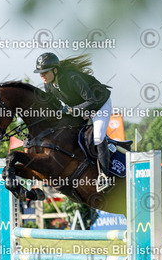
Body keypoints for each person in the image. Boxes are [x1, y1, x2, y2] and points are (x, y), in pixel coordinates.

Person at [34, 52, 113, 192]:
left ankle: (104, 176)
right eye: (40, 73)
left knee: (98, 136)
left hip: (99, 105)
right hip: (80, 108)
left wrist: (71, 110)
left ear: (55, 70)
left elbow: (92, 101)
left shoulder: (72, 78)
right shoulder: (49, 86)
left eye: (45, 72)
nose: (42, 75)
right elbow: (53, 107)